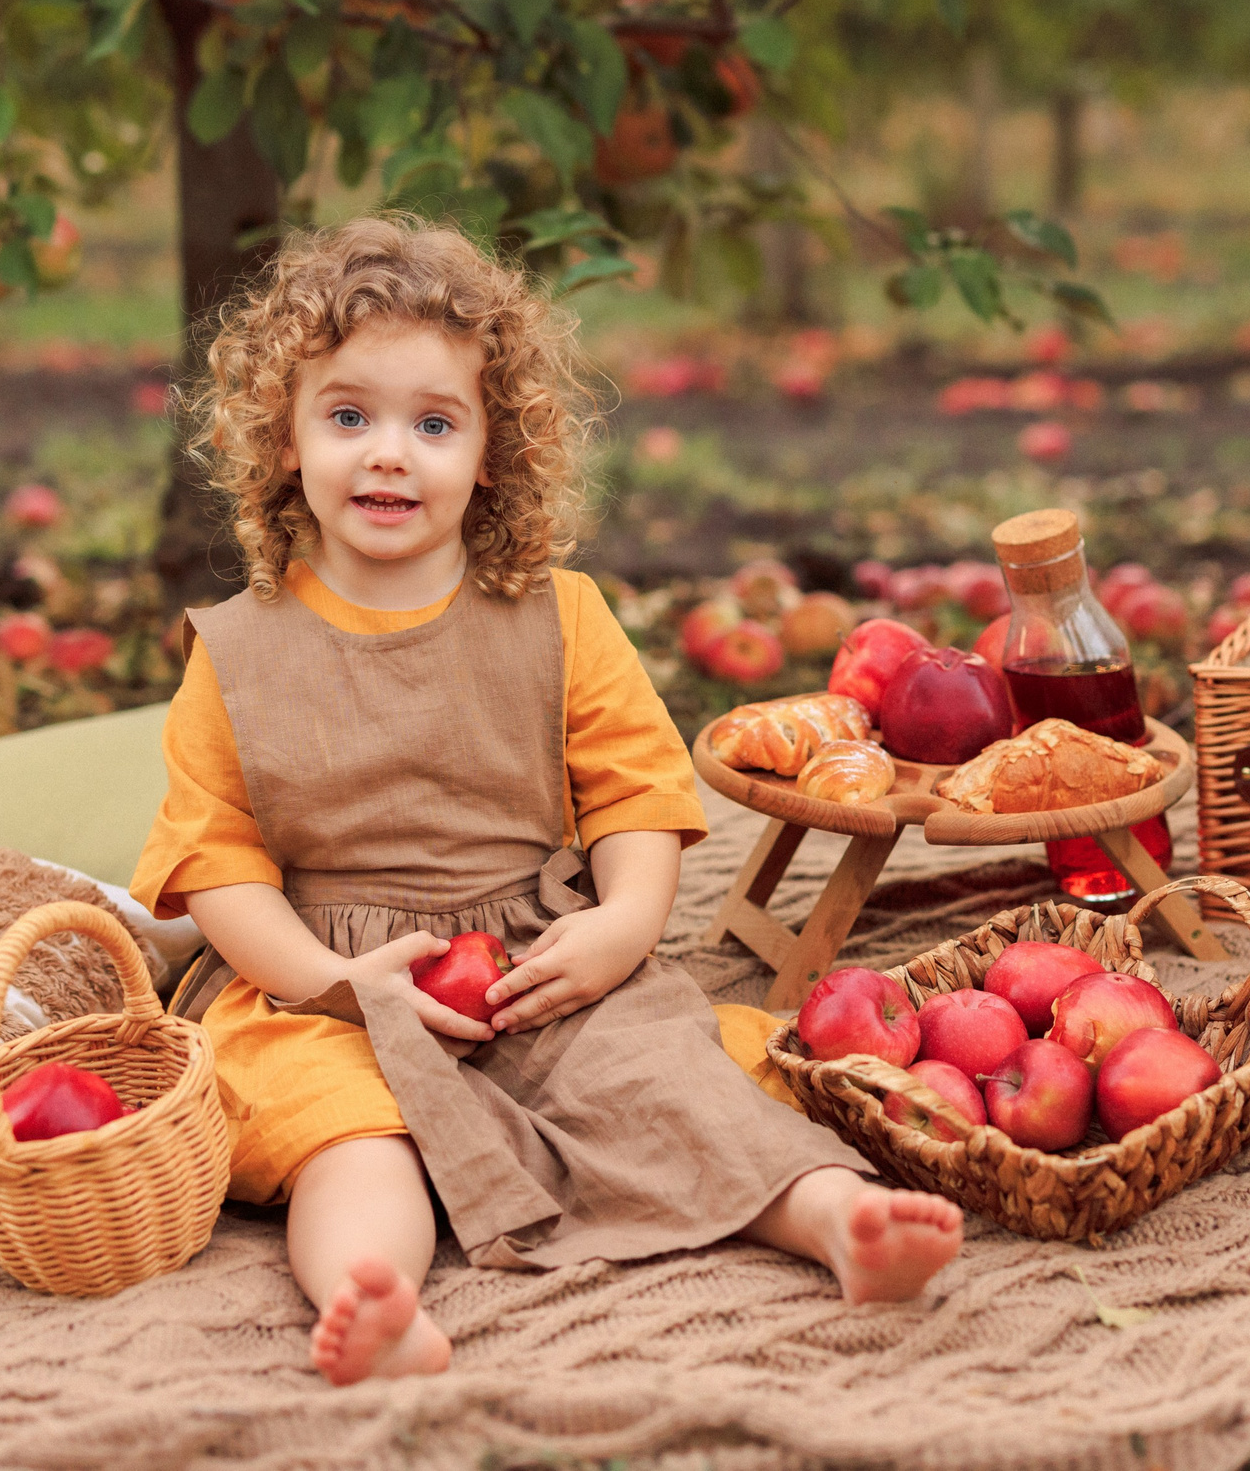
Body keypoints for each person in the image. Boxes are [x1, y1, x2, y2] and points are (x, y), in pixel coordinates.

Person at [130, 217, 963, 1386]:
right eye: (348, 416)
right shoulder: (236, 652)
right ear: (282, 440)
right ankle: (374, 1294)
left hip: (529, 953)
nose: (388, 454)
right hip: (319, 981)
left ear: (491, 451)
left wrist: (620, 926)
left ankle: (836, 1221)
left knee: (668, 1083)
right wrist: (329, 983)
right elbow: (216, 862)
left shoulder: (556, 615)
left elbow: (633, 791)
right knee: (347, 1136)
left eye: (433, 423)